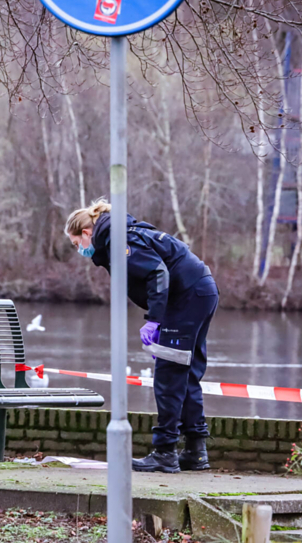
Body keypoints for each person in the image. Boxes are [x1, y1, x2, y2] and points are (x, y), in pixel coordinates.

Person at [65, 200, 219, 474]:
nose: (80, 250)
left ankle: (164, 453)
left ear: (87, 232)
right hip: (201, 290)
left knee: (168, 375)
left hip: (185, 297)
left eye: (77, 243)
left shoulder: (118, 239)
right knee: (186, 373)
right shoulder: (124, 231)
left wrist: (155, 321)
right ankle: (195, 451)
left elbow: (157, 273)